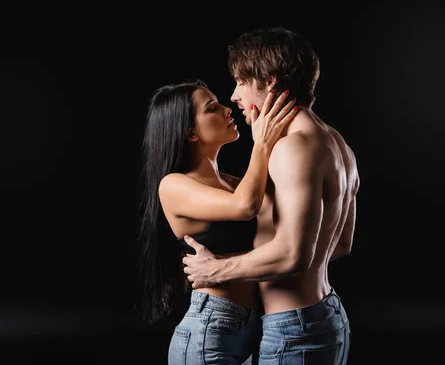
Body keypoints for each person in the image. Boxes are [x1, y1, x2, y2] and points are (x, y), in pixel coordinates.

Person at [182, 26, 360, 364]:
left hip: (294, 329)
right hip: (320, 316)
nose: (234, 96)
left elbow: (293, 254)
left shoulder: (293, 149)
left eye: (241, 82)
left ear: (271, 81)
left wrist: (214, 271)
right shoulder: (336, 142)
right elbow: (341, 243)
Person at [135, 79, 297, 365]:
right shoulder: (174, 185)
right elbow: (245, 207)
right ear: (190, 132)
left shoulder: (235, 183)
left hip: (253, 328)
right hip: (211, 328)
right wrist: (263, 143)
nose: (226, 109)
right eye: (212, 108)